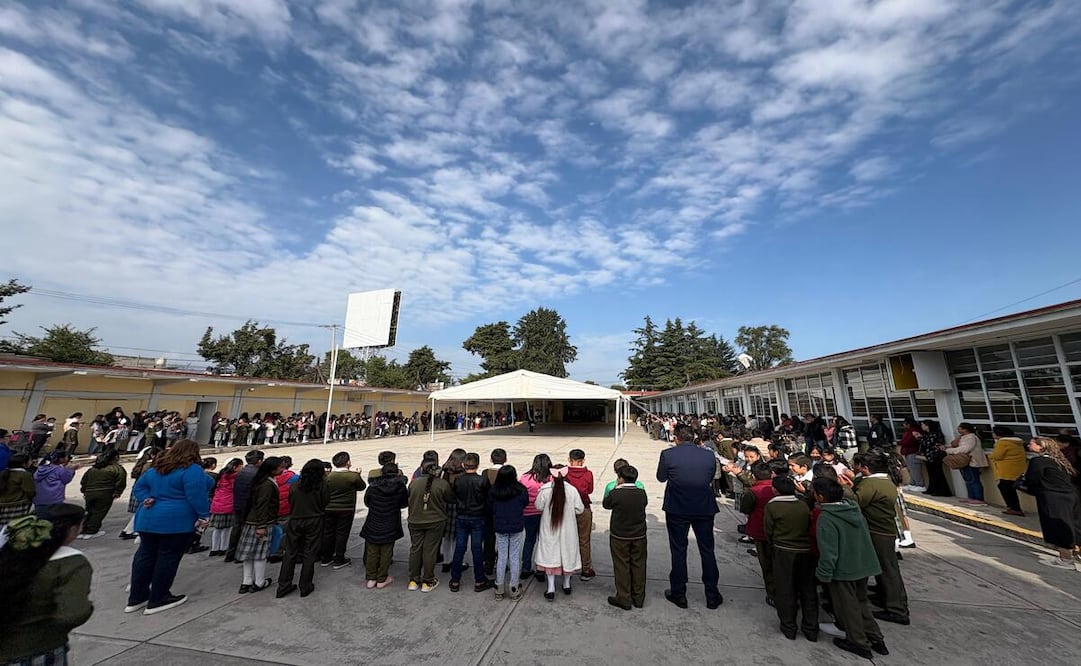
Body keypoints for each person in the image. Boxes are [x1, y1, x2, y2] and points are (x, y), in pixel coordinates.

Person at [0, 504, 93, 665]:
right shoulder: (71, 562)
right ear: (71, 529)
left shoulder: (10, 551)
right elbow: (74, 613)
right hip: (38, 649)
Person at [126, 439, 211, 615]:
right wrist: (204, 515)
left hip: (148, 518)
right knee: (168, 558)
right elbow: (196, 495)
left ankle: (137, 596)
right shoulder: (191, 469)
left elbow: (139, 487)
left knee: (145, 556)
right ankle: (159, 597)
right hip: (175, 521)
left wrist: (146, 497)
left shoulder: (157, 467)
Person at [812, 477, 887, 659]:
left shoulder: (827, 518)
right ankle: (876, 638)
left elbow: (829, 552)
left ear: (820, 497)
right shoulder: (854, 510)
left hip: (844, 569)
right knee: (861, 603)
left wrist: (823, 574)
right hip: (862, 565)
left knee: (848, 607)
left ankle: (858, 642)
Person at [657, 426, 723, 609]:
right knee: (707, 550)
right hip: (703, 506)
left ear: (676, 438)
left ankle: (679, 593)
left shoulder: (668, 454)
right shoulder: (708, 454)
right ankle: (712, 594)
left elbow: (661, 477)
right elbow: (710, 477)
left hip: (678, 506)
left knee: (679, 550)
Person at [853, 449, 910, 626]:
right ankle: (887, 596)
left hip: (877, 530)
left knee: (887, 570)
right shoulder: (885, 480)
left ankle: (896, 608)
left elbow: (856, 501)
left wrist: (846, 487)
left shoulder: (871, 484)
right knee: (887, 567)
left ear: (865, 467)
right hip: (884, 530)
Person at [764, 475, 818, 641]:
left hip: (783, 550)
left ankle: (789, 626)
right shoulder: (802, 504)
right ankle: (811, 629)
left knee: (785, 589)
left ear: (775, 490)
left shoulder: (773, 506)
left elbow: (768, 530)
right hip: (805, 550)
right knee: (808, 590)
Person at [1021, 437, 1081, 569]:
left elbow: (1032, 479)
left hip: (1054, 497)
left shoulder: (1038, 461)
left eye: (1031, 443)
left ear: (1041, 447)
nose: (1028, 445)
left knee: (1058, 526)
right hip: (1072, 495)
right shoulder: (1061, 461)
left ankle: (1066, 560)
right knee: (1074, 525)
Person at [276, 459, 329, 598]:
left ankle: (283, 585)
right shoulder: (321, 486)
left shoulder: (294, 485)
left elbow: (290, 501)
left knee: (290, 553)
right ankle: (305, 585)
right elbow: (325, 502)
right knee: (309, 553)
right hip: (314, 520)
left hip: (295, 520)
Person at [534, 465, 584, 601]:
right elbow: (580, 509)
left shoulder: (545, 491)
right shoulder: (572, 491)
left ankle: (550, 588)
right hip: (568, 531)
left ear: (552, 476)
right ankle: (566, 584)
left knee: (550, 557)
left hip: (550, 530)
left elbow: (538, 506)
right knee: (568, 555)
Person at [603, 464, 648, 611]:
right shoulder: (641, 493)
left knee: (622, 566)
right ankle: (639, 597)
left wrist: (615, 488)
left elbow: (606, 504)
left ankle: (624, 597)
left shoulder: (616, 494)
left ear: (620, 478)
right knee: (639, 565)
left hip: (620, 535)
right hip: (639, 534)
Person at [407, 462, 455, 592]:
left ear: (422, 469)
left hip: (415, 520)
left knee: (415, 549)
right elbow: (451, 499)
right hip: (435, 521)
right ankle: (427, 581)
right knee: (430, 550)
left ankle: (413, 580)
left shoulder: (414, 483)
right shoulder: (442, 484)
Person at [449, 452, 494, 593]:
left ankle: (455, 580)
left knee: (460, 548)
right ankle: (479, 580)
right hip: (478, 517)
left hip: (462, 516)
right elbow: (488, 499)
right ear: (478, 465)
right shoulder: (482, 480)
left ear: (463, 465)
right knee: (477, 549)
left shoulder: (458, 480)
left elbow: (455, 496)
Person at [360, 462, 409, 589]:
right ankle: (382, 578)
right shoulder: (400, 487)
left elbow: (367, 501)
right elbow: (404, 503)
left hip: (374, 520)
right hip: (391, 521)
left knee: (372, 551)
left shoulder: (373, 486)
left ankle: (371, 578)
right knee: (386, 551)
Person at [237, 457, 281, 593]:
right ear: (272, 470)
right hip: (261, 522)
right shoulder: (267, 484)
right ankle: (260, 581)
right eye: (280, 467)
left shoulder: (259, 480)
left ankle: (246, 581)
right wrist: (261, 525)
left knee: (248, 553)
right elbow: (263, 505)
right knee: (260, 554)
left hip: (250, 520)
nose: (282, 470)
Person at [740, 461, 777, 605]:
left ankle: (773, 594)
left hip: (761, 531)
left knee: (767, 564)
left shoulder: (753, 491)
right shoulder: (777, 487)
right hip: (780, 533)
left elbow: (745, 509)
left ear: (754, 476)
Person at [489, 465, 528, 601]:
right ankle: (514, 587)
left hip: (500, 526)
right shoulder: (520, 490)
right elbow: (525, 503)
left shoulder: (494, 491)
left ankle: (499, 587)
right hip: (516, 525)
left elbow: (490, 506)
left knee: (502, 556)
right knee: (514, 556)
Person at [321, 452, 366, 569]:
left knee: (328, 532)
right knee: (342, 533)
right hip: (346, 508)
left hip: (329, 508)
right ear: (348, 462)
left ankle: (326, 557)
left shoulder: (328, 477)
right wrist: (358, 475)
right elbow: (362, 487)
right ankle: (339, 558)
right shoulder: (353, 476)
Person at [225, 449, 265, 562]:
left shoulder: (241, 471)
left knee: (237, 528)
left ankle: (231, 553)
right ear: (259, 461)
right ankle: (240, 554)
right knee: (246, 530)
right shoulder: (257, 473)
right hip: (248, 505)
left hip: (238, 503)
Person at [519, 453, 552, 581]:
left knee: (529, 540)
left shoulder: (525, 477)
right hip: (544, 514)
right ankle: (540, 569)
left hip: (528, 513)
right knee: (543, 542)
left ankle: (525, 568)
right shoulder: (550, 479)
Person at [79, 449, 126, 539]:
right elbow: (121, 482)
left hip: (89, 492)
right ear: (116, 457)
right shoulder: (117, 468)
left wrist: (84, 490)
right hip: (105, 493)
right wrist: (117, 492)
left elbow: (84, 481)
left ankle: (82, 529)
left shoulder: (92, 469)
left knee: (88, 511)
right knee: (99, 512)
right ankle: (91, 530)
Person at [565, 448, 596, 581]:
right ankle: (586, 569)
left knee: (567, 539)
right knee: (584, 540)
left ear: (569, 460)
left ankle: (568, 569)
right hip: (583, 507)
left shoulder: (565, 473)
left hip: (567, 509)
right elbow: (590, 490)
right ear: (583, 460)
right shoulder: (588, 474)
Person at [944, 422, 989, 504]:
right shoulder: (963, 437)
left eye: (959, 428)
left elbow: (965, 449)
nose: (957, 430)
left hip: (972, 461)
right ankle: (971, 497)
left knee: (974, 480)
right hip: (966, 462)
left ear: (965, 429)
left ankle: (978, 498)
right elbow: (954, 444)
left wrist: (948, 451)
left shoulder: (971, 437)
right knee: (968, 480)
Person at [987, 426, 1028, 516]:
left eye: (994, 432)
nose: (992, 434)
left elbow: (997, 456)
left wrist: (991, 456)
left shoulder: (1003, 443)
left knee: (1005, 488)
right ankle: (1014, 507)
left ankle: (1014, 508)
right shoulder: (1017, 442)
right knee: (1009, 488)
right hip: (1017, 469)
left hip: (1006, 470)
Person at [209, 458, 242, 556]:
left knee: (217, 529)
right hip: (228, 504)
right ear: (235, 467)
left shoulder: (220, 475)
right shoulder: (234, 477)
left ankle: (214, 548)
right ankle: (223, 548)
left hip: (217, 503)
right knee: (226, 529)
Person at [917, 420, 952, 497]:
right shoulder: (927, 434)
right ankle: (932, 489)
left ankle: (942, 491)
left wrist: (920, 438)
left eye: (923, 425)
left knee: (938, 473)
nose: (921, 426)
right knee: (931, 474)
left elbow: (930, 444)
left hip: (935, 456)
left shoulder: (935, 434)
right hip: (928, 456)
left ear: (927, 425)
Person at [0, 453, 35, 528]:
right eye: (30, 460)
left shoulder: (4, 472)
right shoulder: (25, 475)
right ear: (24, 464)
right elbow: (30, 491)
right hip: (16, 506)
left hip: (3, 504)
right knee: (11, 528)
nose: (31, 462)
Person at [898, 417, 925, 492]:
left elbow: (909, 441)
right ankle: (913, 483)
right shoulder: (907, 431)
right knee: (910, 469)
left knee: (915, 469)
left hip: (913, 452)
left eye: (904, 423)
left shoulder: (914, 431)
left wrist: (900, 442)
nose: (903, 425)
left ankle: (920, 484)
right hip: (907, 452)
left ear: (908, 424)